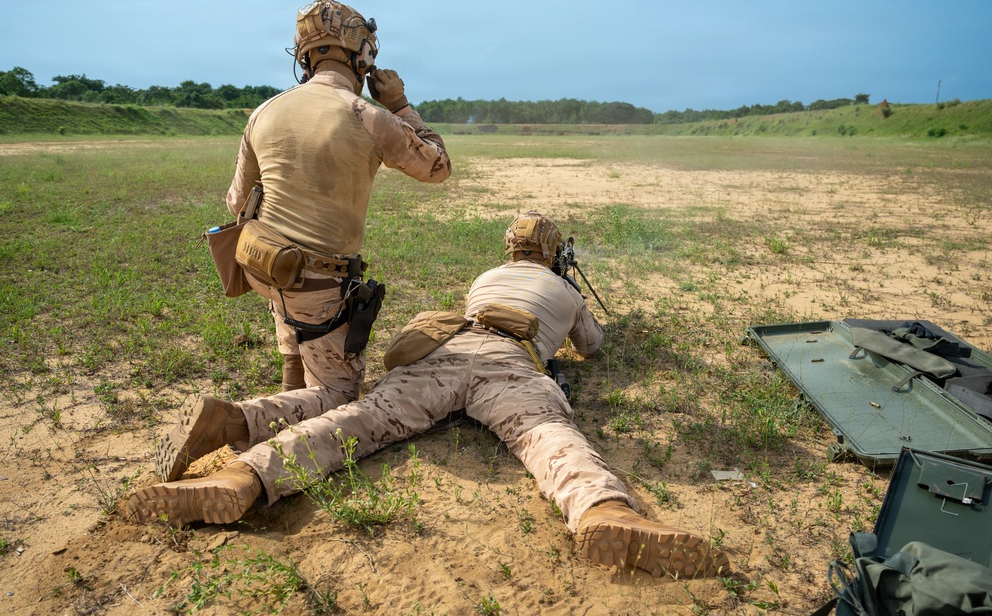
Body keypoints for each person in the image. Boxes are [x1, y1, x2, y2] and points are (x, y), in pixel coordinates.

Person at [128, 213, 729, 579]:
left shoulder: (486, 279)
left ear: (509, 249)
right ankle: (604, 512)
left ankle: (245, 479)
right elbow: (590, 348)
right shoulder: (559, 287)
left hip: (444, 351)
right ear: (552, 254)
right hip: (507, 363)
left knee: (364, 418)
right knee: (548, 433)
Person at [225, 0, 451, 398]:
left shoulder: (265, 110)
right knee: (339, 399)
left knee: (291, 318)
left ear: (305, 59)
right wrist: (399, 104)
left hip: (264, 266)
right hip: (321, 287)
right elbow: (438, 168)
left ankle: (291, 378)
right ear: (361, 59)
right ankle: (239, 421)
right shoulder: (368, 115)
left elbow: (236, 203)